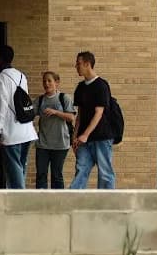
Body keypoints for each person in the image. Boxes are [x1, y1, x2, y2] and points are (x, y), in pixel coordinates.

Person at [0, 45, 38, 189]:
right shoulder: (22, 76)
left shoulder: (2, 77)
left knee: (14, 171)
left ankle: (21, 200)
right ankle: (17, 198)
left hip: (11, 133)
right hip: (27, 130)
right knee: (20, 168)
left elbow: (1, 104)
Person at [70, 51, 117, 189]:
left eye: (78, 64)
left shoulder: (101, 85)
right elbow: (80, 114)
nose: (76, 66)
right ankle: (73, 200)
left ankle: (106, 205)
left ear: (87, 64)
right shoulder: (80, 87)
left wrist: (85, 134)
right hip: (84, 139)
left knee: (105, 173)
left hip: (101, 137)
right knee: (81, 169)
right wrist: (75, 136)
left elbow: (99, 113)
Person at [33, 71, 76, 189]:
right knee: (41, 175)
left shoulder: (64, 98)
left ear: (56, 83)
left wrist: (56, 112)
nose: (46, 83)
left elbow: (71, 117)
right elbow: (29, 115)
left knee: (56, 175)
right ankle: (41, 203)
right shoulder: (40, 100)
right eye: (44, 81)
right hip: (43, 144)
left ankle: (58, 203)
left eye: (49, 81)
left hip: (60, 144)